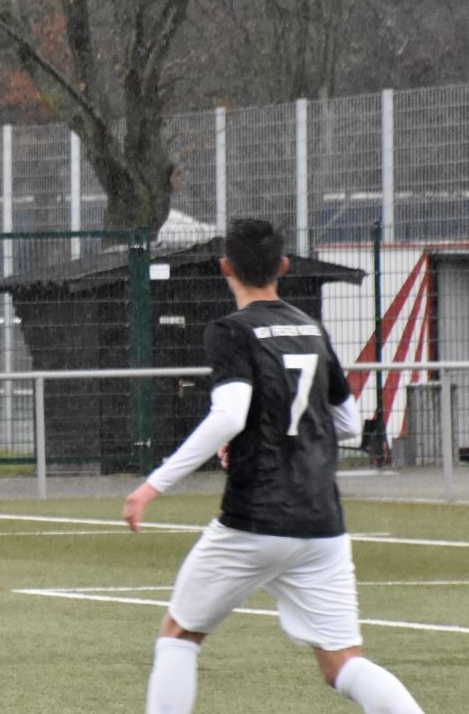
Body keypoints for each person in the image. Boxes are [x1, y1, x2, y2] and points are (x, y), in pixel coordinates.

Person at [123, 219, 424, 714]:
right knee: (343, 663)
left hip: (255, 517)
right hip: (321, 524)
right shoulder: (311, 327)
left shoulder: (230, 331)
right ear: (283, 267)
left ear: (225, 268)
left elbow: (229, 414)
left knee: (179, 633)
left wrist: (153, 485)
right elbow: (345, 420)